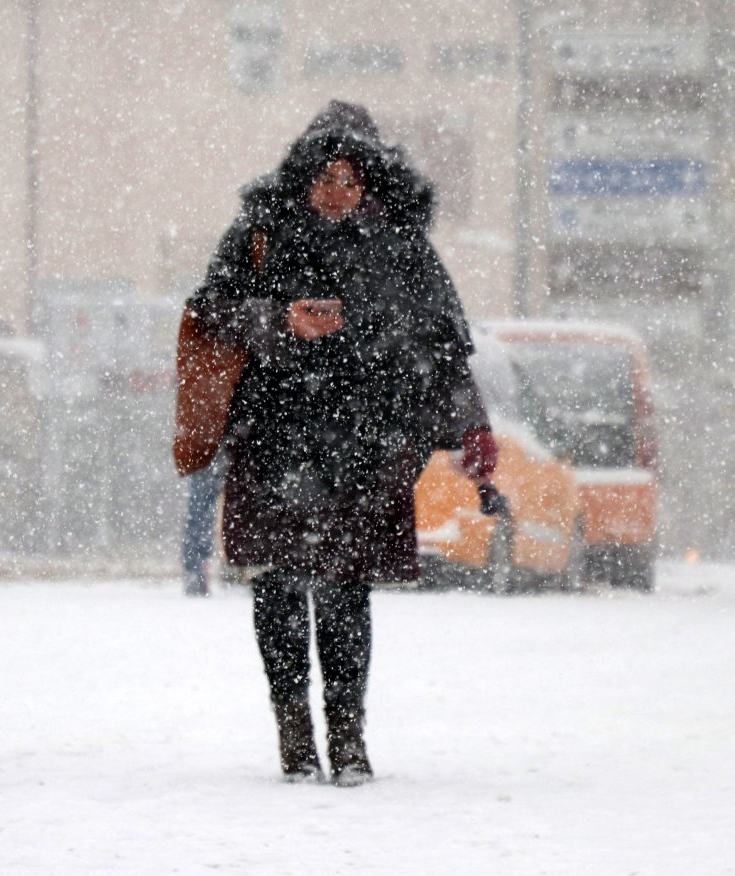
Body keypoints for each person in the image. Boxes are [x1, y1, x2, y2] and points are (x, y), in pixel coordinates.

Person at [187, 101, 499, 785]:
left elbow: (444, 346)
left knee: (345, 595)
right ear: (302, 177)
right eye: (324, 177)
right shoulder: (260, 233)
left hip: (367, 447)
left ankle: (349, 738)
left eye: (349, 179)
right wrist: (279, 320)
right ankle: (294, 734)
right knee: (276, 591)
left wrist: (472, 427)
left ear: (372, 183)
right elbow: (210, 307)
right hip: (273, 440)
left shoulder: (404, 248)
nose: (335, 191)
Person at [180, 449, 228, 597]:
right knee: (202, 510)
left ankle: (196, 568)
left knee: (201, 510)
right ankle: (197, 569)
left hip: (209, 448)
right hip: (215, 448)